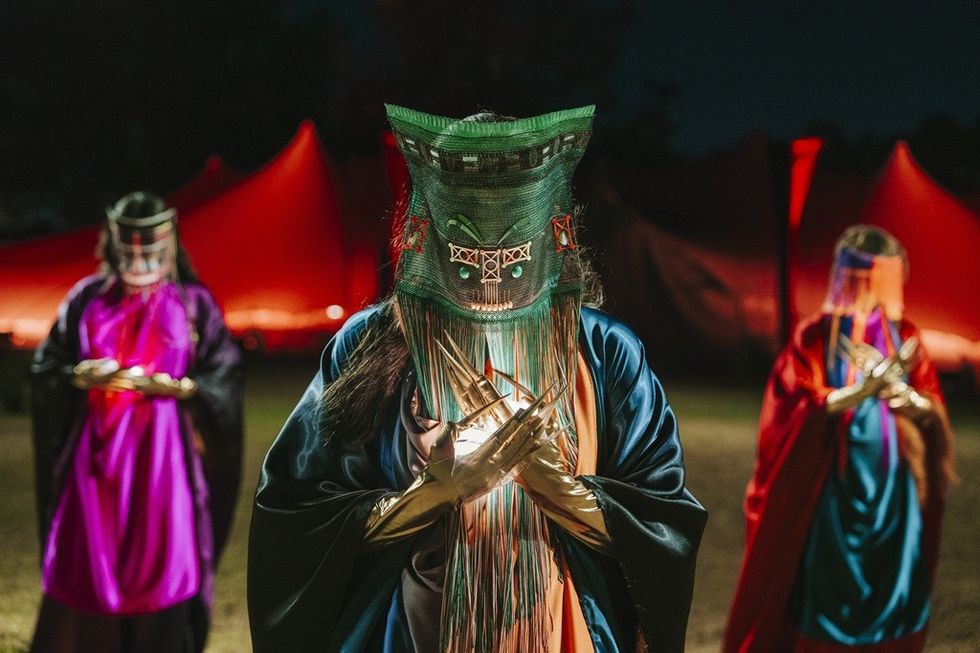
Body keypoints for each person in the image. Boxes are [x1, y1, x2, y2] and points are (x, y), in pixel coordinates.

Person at [248, 105, 707, 652]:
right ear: (429, 237)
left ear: (548, 234)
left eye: (512, 257)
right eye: (466, 256)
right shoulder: (371, 343)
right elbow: (294, 513)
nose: (489, 285)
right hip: (418, 625)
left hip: (563, 626)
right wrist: (427, 498)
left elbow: (664, 518)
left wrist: (557, 489)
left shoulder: (605, 351)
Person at [724, 225, 956, 652]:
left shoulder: (904, 334)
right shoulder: (817, 336)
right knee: (827, 574)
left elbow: (930, 406)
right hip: (834, 483)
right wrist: (865, 387)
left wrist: (901, 393)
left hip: (893, 485)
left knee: (890, 575)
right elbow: (796, 403)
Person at [29, 191, 244, 653]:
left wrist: (180, 387)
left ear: (169, 247)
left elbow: (223, 376)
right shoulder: (87, 298)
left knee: (162, 560)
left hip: (163, 462)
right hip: (95, 462)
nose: (140, 260)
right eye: (131, 251)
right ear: (113, 246)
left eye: (151, 251)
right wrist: (77, 375)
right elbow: (48, 369)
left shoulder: (194, 304)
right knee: (88, 558)